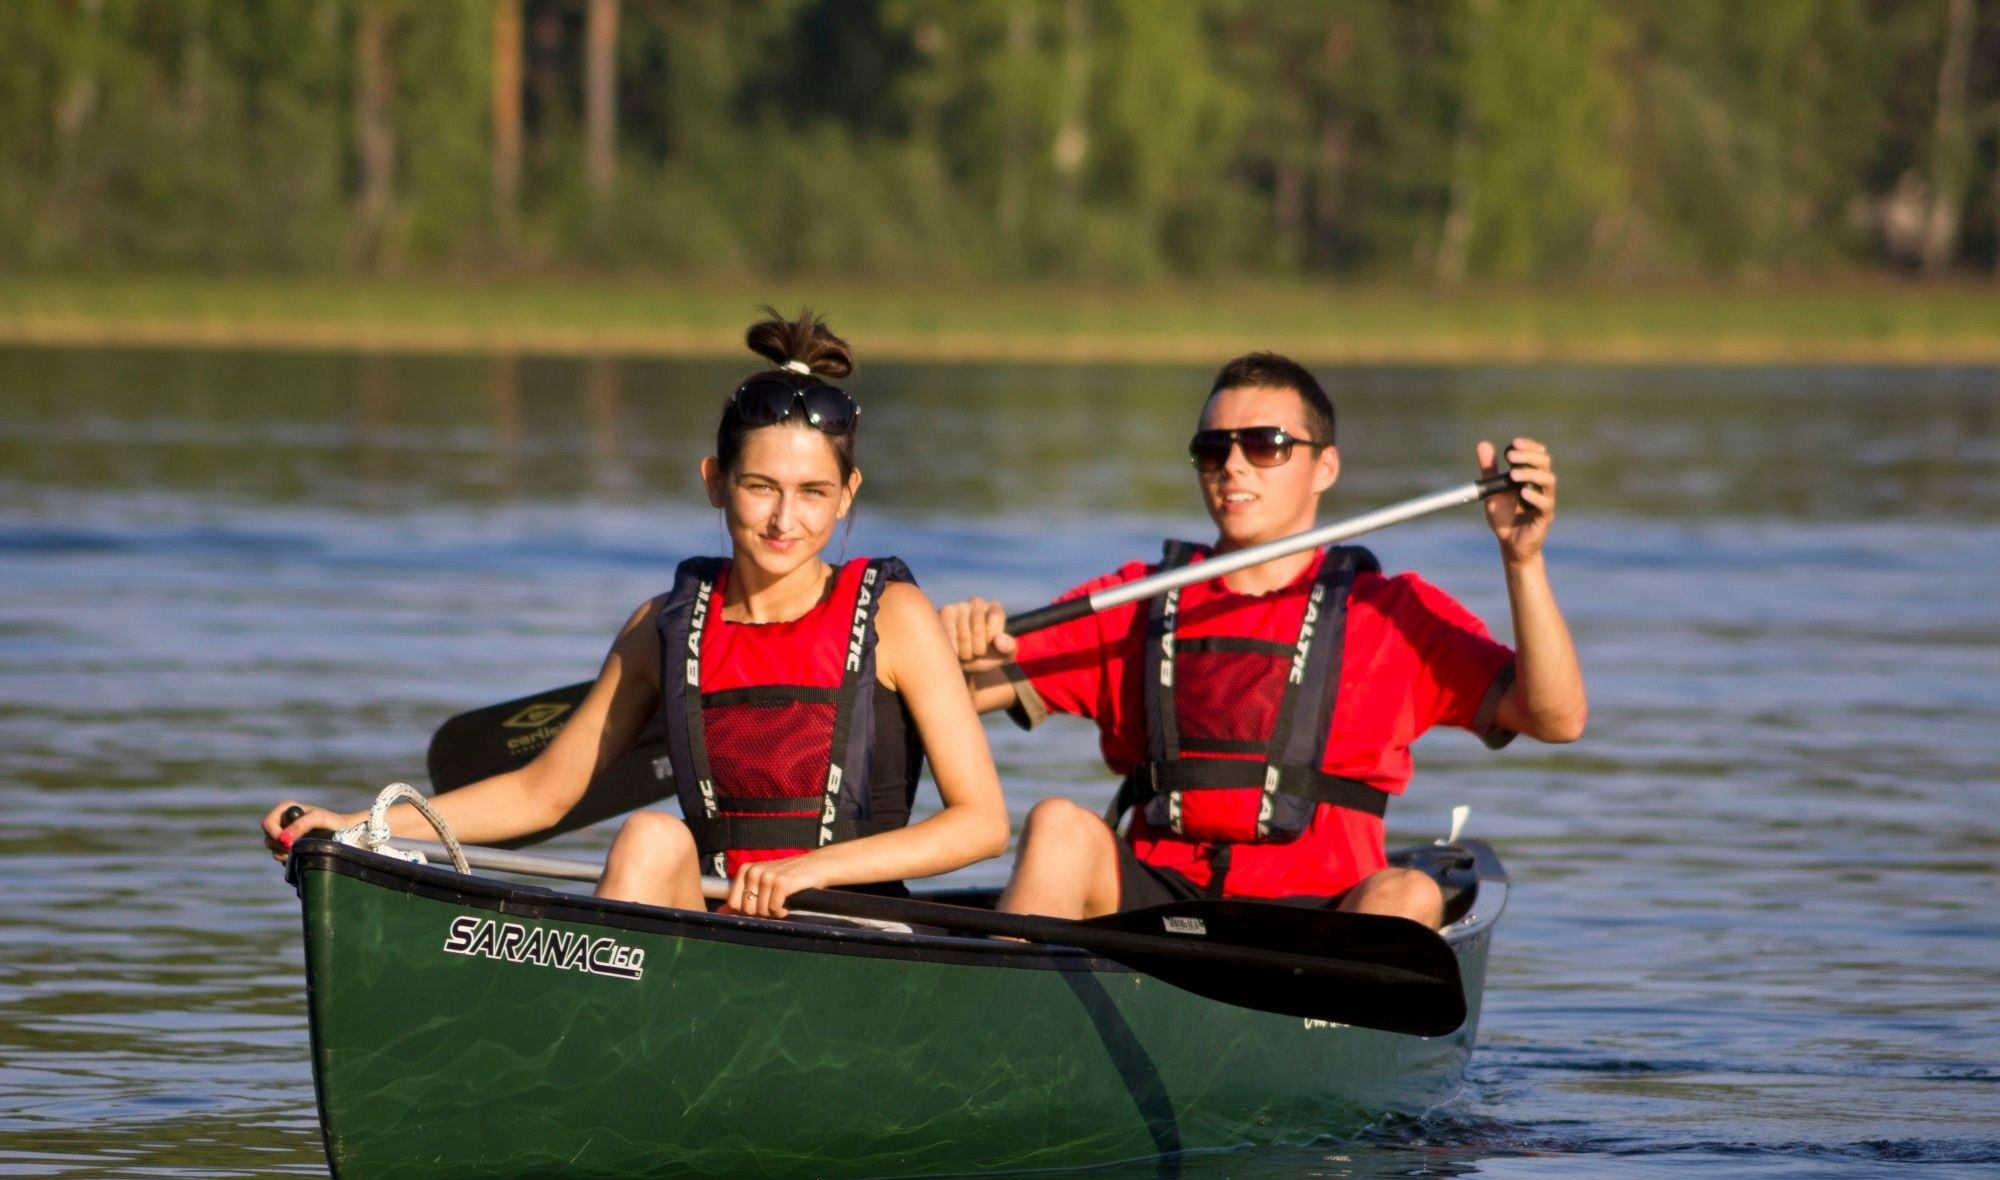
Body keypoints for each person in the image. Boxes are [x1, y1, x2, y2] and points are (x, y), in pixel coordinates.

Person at [264, 309, 1010, 918]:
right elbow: (542, 791)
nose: (786, 518)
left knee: (658, 833)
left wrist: (810, 870)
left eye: (813, 492)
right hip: (715, 929)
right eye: (760, 486)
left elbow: (981, 822)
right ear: (715, 482)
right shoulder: (664, 627)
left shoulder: (897, 618)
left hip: (857, 939)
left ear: (847, 495)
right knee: (653, 836)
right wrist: (357, 825)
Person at [939, 352, 1586, 928]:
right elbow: (952, 694)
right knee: (1057, 823)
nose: (1234, 465)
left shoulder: (1393, 612)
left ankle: (1332, 1048)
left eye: (1266, 444)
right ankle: (1013, 1038)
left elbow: (1555, 717)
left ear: (1324, 466)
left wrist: (1522, 561)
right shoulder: (1136, 600)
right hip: (1156, 906)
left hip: (1324, 920)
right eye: (1213, 448)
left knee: (1411, 892)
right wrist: (956, 646)